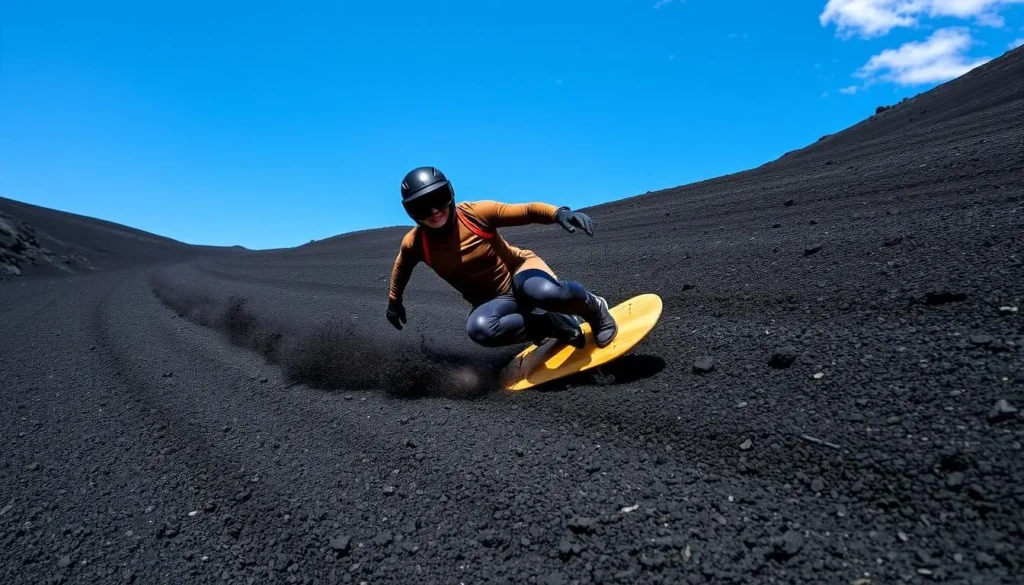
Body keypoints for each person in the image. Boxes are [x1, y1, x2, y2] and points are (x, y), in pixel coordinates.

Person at [385, 166, 617, 350]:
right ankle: (552, 324)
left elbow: (526, 211)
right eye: (422, 206)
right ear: (411, 212)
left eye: (439, 198)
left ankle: (595, 309)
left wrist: (559, 214)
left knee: (546, 293)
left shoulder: (474, 213)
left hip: (520, 271)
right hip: (493, 301)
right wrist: (394, 301)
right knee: (481, 329)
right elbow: (401, 267)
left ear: (451, 193)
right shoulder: (415, 243)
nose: (434, 211)